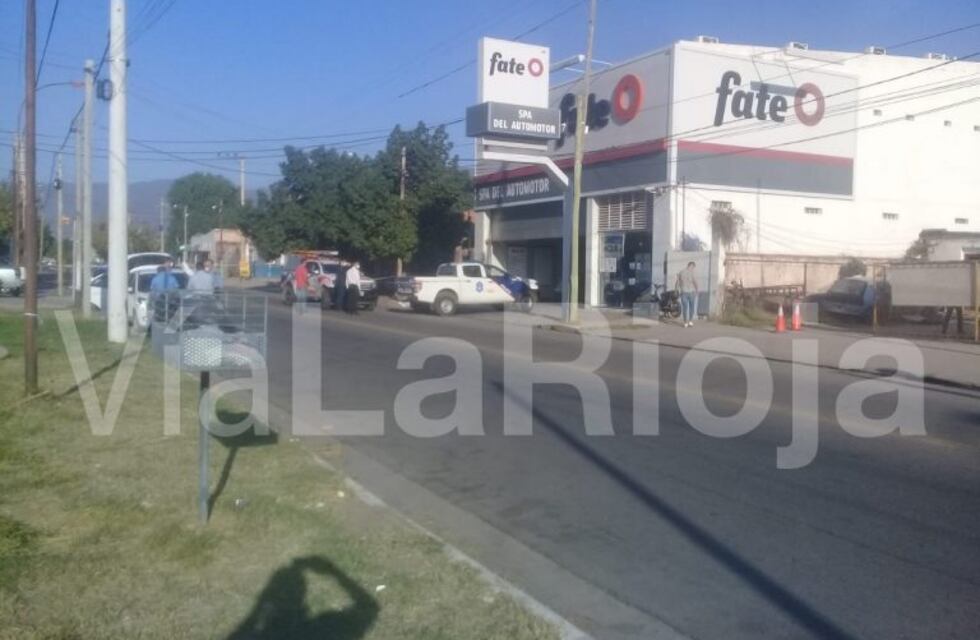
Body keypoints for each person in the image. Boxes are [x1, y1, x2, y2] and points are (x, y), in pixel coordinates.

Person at [675, 261, 699, 327]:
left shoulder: (681, 272)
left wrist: (676, 290)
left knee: (685, 308)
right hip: (691, 292)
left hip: (683, 292)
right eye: (693, 267)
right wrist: (697, 291)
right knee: (692, 307)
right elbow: (695, 282)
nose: (693, 268)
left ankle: (685, 322)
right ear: (691, 265)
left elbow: (677, 282)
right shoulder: (692, 273)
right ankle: (690, 321)